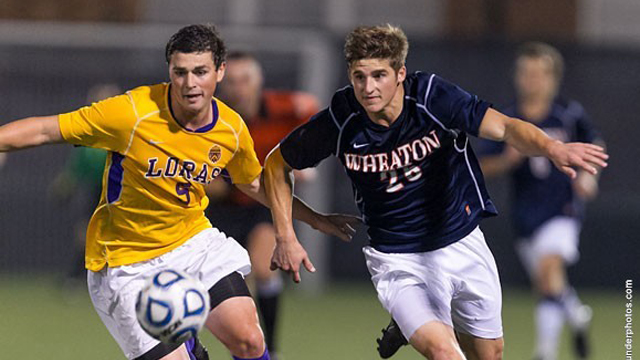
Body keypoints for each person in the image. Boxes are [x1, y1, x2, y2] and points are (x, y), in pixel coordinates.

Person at [0, 24, 355, 360]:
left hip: (191, 244)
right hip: (126, 261)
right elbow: (47, 129)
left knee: (248, 338)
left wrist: (312, 218)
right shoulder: (132, 113)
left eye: (200, 71)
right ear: (169, 70)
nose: (189, 83)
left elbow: (256, 184)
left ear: (220, 71)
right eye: (179, 71)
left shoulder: (230, 129)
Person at [263, 24, 608, 360]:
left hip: (461, 241)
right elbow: (276, 165)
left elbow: (504, 127)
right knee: (446, 353)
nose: (368, 87)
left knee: (490, 354)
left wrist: (550, 147)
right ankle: (419, 318)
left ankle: (415, 322)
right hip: (399, 258)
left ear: (400, 73)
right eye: (359, 76)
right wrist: (286, 235)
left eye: (379, 75)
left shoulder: (431, 98)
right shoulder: (342, 118)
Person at [477, 42, 604, 360]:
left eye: (540, 74)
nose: (533, 80)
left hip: (562, 207)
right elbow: (482, 166)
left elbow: (595, 144)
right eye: (527, 73)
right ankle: (576, 313)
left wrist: (589, 177)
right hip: (525, 213)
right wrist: (507, 160)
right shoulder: (507, 119)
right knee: (548, 285)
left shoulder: (568, 114)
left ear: (553, 79)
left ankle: (545, 353)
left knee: (549, 270)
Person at [205, 51, 319, 358]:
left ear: (259, 83)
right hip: (221, 207)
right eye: (232, 82)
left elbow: (314, 112)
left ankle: (272, 348)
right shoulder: (212, 118)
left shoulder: (286, 108)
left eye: (245, 80)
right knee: (228, 283)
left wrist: (303, 160)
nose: (238, 88)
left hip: (261, 206)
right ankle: (241, 344)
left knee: (264, 269)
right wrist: (213, 183)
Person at [50, 84, 120, 294]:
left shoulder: (124, 132)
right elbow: (77, 167)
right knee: (86, 235)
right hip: (96, 192)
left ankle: (109, 280)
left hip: (121, 193)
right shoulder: (90, 136)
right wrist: (65, 186)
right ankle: (77, 277)